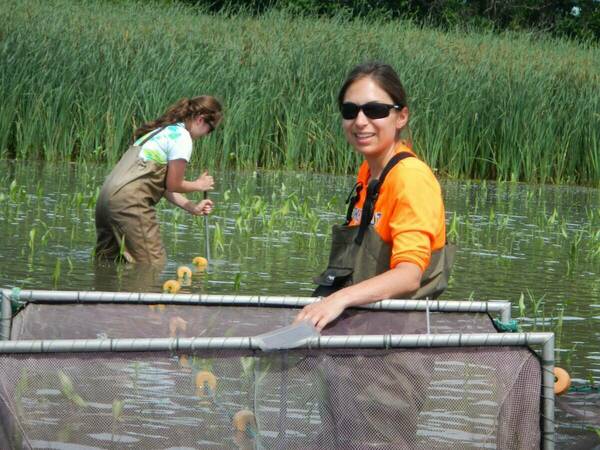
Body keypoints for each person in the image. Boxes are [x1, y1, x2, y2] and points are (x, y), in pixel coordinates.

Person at [295, 62, 455, 331]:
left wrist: (339, 299)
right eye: (350, 111)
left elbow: (408, 276)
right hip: (358, 337)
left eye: (375, 110)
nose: (360, 121)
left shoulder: (411, 177)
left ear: (401, 117)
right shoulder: (367, 173)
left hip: (395, 353)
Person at [95, 96, 221, 264]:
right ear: (200, 120)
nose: (207, 135)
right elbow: (174, 184)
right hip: (129, 203)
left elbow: (162, 186)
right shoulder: (182, 138)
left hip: (106, 200)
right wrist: (199, 185)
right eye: (210, 129)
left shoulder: (160, 132)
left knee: (107, 263)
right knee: (153, 264)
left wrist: (191, 207)